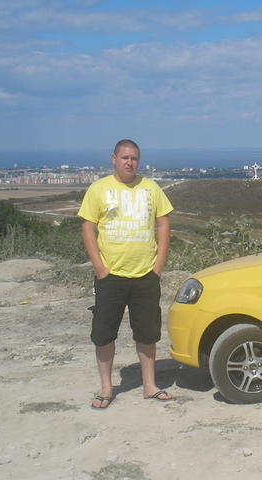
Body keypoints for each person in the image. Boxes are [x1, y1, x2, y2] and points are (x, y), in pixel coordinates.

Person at [78, 139, 174, 409]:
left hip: (146, 274)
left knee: (147, 333)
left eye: (134, 158)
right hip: (111, 276)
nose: (130, 162)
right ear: (114, 158)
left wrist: (158, 266)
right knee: (104, 333)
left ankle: (149, 386)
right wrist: (100, 268)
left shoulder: (151, 188)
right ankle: (107, 388)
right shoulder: (99, 189)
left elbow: (164, 223)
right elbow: (87, 227)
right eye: (125, 157)